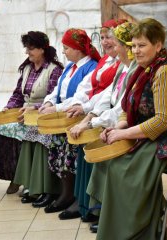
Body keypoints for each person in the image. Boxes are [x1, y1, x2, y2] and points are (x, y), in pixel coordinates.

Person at [94, 18, 167, 239]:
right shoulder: (142, 71)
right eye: (133, 45)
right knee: (110, 159)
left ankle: (143, 227)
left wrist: (124, 134)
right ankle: (122, 219)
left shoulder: (164, 72)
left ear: (158, 45)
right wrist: (117, 127)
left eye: (142, 45)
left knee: (124, 167)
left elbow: (163, 120)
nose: (136, 50)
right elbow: (129, 108)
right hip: (160, 132)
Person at [66, 21, 138, 225]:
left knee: (103, 147)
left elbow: (121, 109)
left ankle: (106, 210)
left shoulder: (133, 70)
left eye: (115, 44)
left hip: (126, 125)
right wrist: (89, 119)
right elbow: (107, 97)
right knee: (86, 144)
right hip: (112, 119)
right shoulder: (122, 67)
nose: (111, 48)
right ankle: (91, 205)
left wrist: (91, 122)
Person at [39, 28, 101, 213]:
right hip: (63, 119)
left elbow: (80, 98)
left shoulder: (91, 67)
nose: (64, 52)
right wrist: (49, 100)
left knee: (71, 158)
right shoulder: (69, 67)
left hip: (77, 118)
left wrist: (56, 108)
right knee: (60, 155)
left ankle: (74, 195)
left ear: (77, 48)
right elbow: (57, 90)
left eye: (66, 48)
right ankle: (65, 193)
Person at [0, 31, 63, 195]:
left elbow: (54, 97)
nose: (27, 52)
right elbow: (18, 94)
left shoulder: (54, 70)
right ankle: (13, 176)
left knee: (29, 132)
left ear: (42, 49)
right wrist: (8, 107)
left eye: (31, 48)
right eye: (26, 48)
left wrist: (35, 108)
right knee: (4, 129)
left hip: (42, 113)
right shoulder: (27, 68)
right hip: (24, 112)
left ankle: (30, 179)